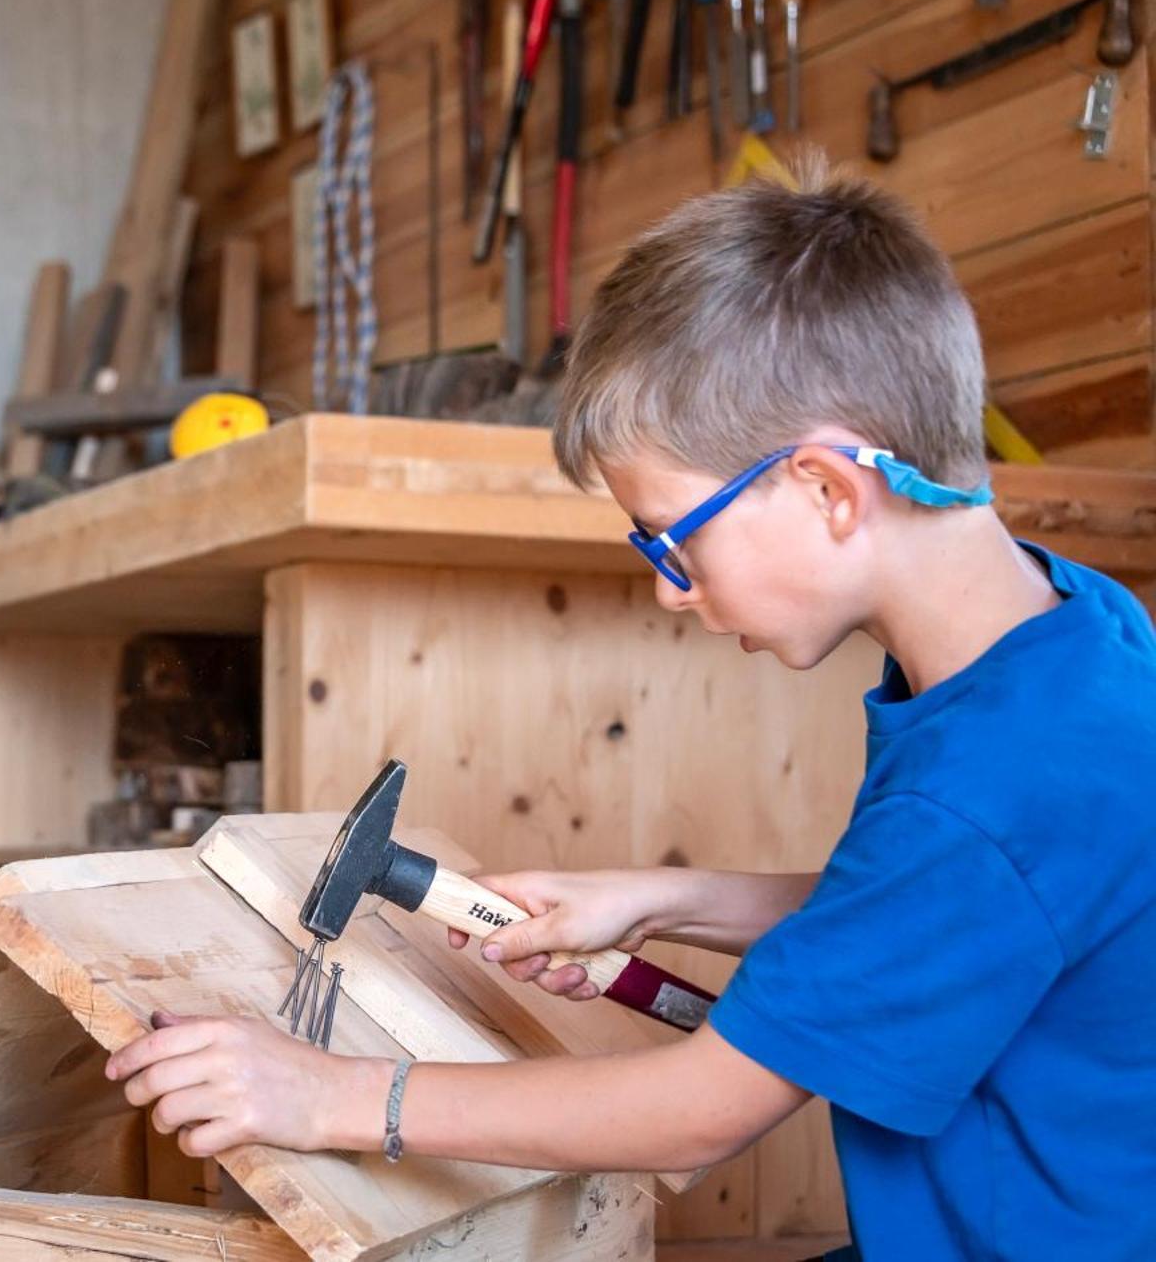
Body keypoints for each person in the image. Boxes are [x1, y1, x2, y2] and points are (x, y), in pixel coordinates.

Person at [103, 164, 1156, 1260]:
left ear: (826, 489)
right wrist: (662, 898)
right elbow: (955, 901)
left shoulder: (989, 785)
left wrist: (332, 1095)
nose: (667, 584)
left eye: (670, 535)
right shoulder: (1067, 633)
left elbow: (699, 1107)